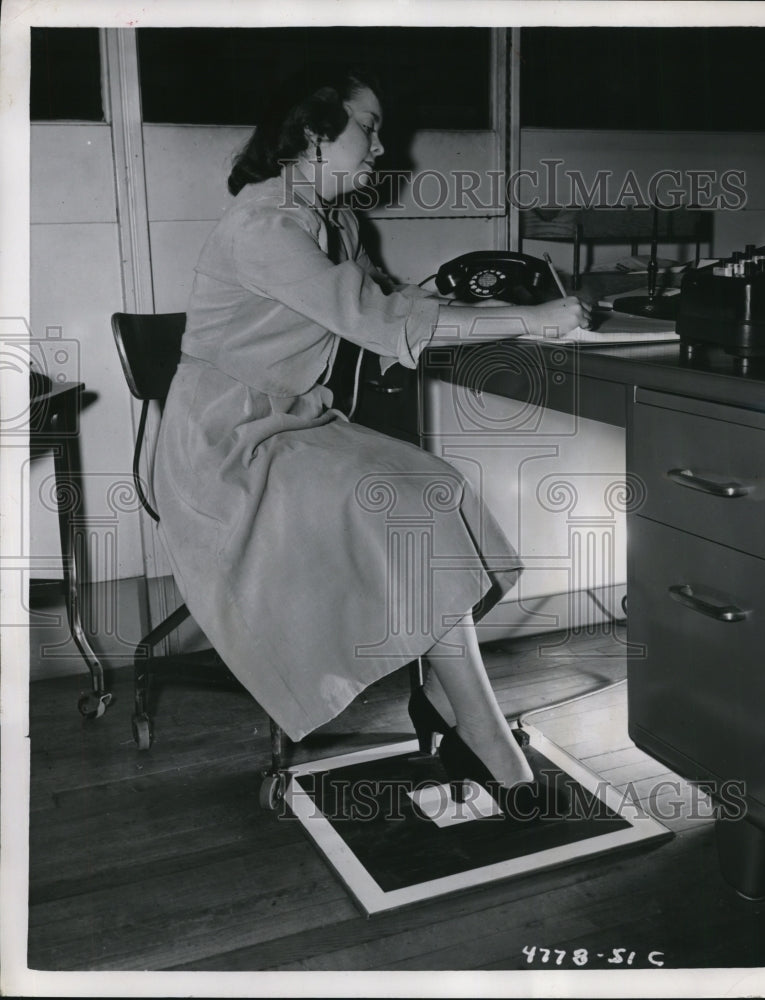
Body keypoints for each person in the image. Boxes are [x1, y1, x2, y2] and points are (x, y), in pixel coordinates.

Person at [153, 66, 591, 809]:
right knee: (404, 501)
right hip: (229, 444)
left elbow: (377, 305)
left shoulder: (337, 221)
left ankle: (455, 709)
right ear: (316, 131)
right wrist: (541, 319)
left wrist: (444, 290)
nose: (382, 146)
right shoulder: (265, 226)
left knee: (435, 485)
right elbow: (378, 326)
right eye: (370, 126)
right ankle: (481, 733)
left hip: (295, 422)